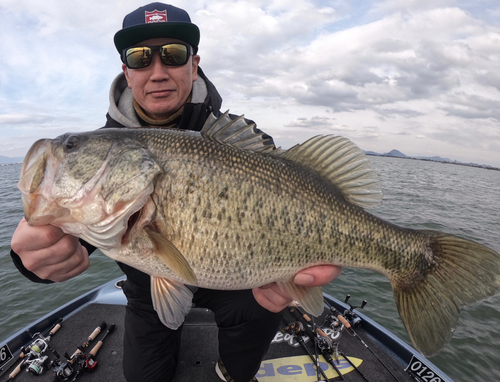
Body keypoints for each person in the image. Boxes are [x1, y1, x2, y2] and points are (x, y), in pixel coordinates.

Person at [10, 3, 342, 382]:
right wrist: (30, 260)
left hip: (236, 282)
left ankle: (234, 372)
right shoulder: (105, 147)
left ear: (194, 64)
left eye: (172, 54)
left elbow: (295, 194)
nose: (157, 72)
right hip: (146, 287)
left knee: (260, 309)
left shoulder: (242, 140)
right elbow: (70, 236)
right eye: (139, 58)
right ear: (126, 72)